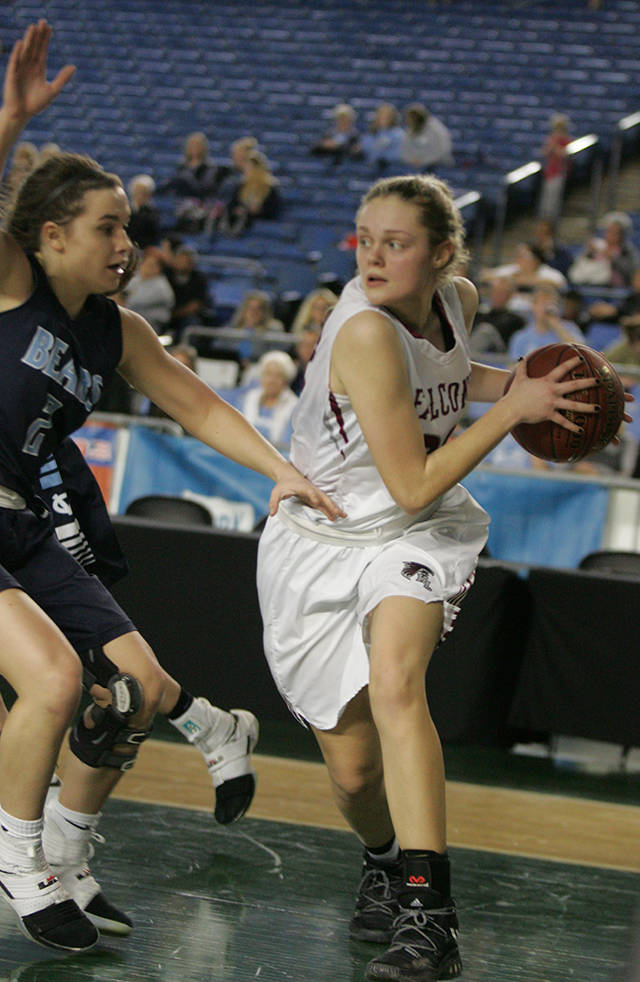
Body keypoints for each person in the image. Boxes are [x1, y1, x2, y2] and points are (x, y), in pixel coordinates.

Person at [0, 20, 343, 956]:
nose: (128, 241)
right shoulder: (12, 283)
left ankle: (66, 859)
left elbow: (199, 409)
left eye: (128, 226)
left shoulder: (116, 332)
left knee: (137, 691)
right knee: (56, 680)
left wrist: (284, 473)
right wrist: (10, 118)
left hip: (20, 519)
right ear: (50, 235)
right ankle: (19, 860)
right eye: (108, 227)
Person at [256, 173, 620, 982]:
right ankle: (384, 859)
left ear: (445, 253)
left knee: (396, 683)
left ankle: (429, 914)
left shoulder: (453, 298)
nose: (374, 255)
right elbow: (411, 473)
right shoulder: (363, 334)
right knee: (352, 774)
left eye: (397, 241)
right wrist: (509, 414)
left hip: (415, 532)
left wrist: (532, 389)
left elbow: (453, 391)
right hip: (321, 539)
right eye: (365, 240)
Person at [508, 283, 585, 362]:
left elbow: (581, 353)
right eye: (543, 303)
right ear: (534, 306)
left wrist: (556, 325)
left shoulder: (570, 328)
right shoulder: (521, 336)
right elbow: (513, 365)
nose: (547, 307)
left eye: (551, 303)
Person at [238, 351, 299, 450]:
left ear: (286, 379)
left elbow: (289, 446)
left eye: (278, 376)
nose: (272, 380)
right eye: (268, 374)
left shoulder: (295, 407)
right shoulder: (247, 399)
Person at [217, 149, 281, 236]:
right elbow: (232, 204)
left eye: (249, 168)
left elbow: (273, 210)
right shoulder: (241, 186)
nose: (246, 171)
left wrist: (258, 211)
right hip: (239, 218)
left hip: (258, 222)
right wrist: (237, 210)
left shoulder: (270, 188)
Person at [119, 246, 175, 334]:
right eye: (146, 264)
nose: (147, 267)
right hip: (131, 321)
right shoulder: (136, 278)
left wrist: (119, 301)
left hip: (151, 327)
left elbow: (133, 303)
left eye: (152, 265)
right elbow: (119, 291)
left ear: (158, 268)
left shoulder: (161, 286)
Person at [537, 113, 571, 223]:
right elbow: (545, 152)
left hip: (559, 172)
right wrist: (552, 142)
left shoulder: (566, 140)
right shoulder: (551, 139)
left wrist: (556, 144)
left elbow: (564, 155)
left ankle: (552, 220)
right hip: (550, 172)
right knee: (546, 197)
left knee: (554, 197)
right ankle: (544, 218)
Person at [400, 103, 454, 171]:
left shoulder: (436, 128)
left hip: (437, 164)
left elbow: (442, 149)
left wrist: (424, 160)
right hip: (416, 164)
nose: (411, 120)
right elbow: (405, 149)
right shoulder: (410, 129)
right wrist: (411, 159)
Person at [360, 103, 404, 172]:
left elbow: (398, 153)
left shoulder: (398, 134)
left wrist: (382, 155)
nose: (383, 118)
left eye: (387, 116)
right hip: (371, 168)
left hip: (390, 169)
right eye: (381, 115)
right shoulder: (371, 132)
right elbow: (365, 146)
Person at [126, 174, 161, 251]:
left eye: (144, 193)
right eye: (138, 192)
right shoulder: (126, 210)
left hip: (144, 250)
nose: (140, 196)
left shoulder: (153, 213)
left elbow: (153, 234)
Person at [291, 326, 321, 395]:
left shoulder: (327, 374)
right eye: (304, 345)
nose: (307, 349)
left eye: (312, 345)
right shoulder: (293, 372)